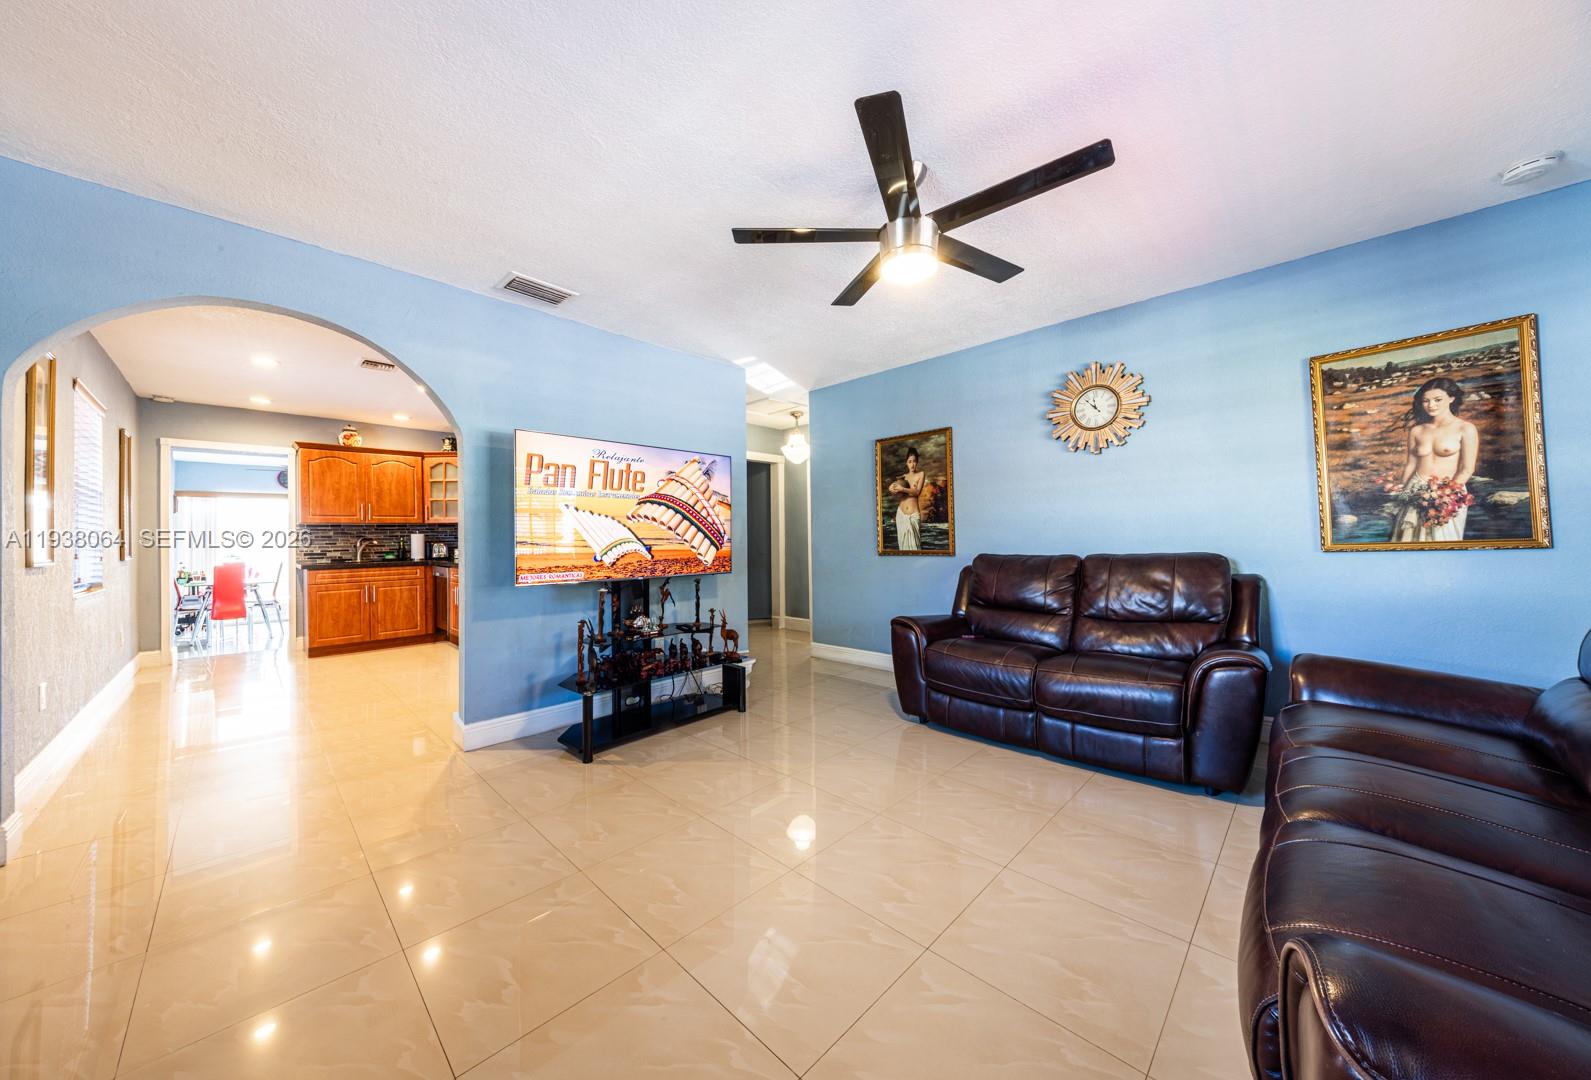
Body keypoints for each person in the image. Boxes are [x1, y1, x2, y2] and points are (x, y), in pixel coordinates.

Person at [1389, 377, 1478, 543]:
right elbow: (1411, 465)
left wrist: (1444, 497)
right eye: (1426, 401)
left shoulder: (1465, 428)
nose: (1431, 405)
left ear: (1451, 398)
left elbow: (1467, 469)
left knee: (1444, 540)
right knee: (1406, 540)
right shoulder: (1417, 430)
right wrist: (1403, 494)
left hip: (1449, 493)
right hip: (1415, 491)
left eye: (1438, 400)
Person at [887, 447, 927, 550]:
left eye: (914, 461)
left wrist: (902, 489)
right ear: (906, 463)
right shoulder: (903, 477)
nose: (912, 464)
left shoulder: (921, 474)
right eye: (910, 461)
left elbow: (917, 492)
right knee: (903, 548)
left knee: (915, 547)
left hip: (913, 515)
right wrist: (891, 488)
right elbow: (894, 489)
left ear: (917, 462)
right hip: (900, 514)